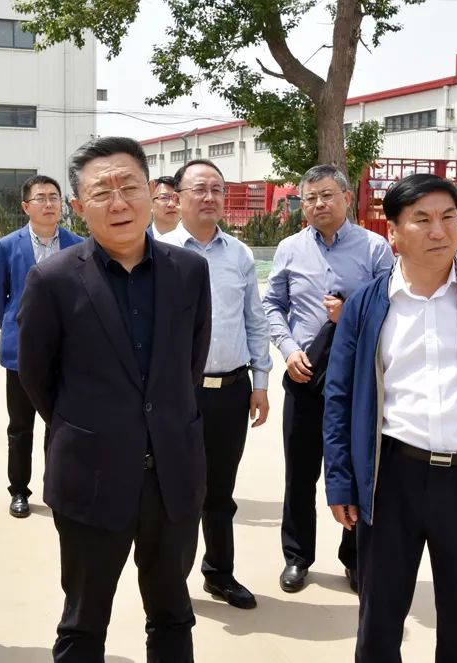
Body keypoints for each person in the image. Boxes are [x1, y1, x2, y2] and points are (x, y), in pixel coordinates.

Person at [323, 173, 457, 663]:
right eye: (422, 219)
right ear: (393, 233)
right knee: (379, 617)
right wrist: (340, 480)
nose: (439, 231)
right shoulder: (366, 305)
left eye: (449, 217)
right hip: (389, 478)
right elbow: (339, 397)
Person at [17, 136, 212, 662]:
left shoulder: (189, 271)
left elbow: (189, 366)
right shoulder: (53, 279)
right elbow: (37, 377)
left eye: (129, 187)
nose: (118, 202)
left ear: (152, 192)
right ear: (79, 207)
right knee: (83, 623)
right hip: (91, 477)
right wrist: (91, 428)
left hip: (172, 476)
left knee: (173, 615)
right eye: (102, 192)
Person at [263, 164, 393, 594]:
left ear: (346, 198)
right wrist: (287, 349)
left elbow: (393, 305)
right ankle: (297, 556)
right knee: (299, 474)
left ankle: (354, 558)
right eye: (311, 197)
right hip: (305, 374)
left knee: (355, 470)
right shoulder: (290, 248)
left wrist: (350, 310)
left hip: (357, 381)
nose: (319, 204)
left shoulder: (374, 248)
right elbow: (272, 305)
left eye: (327, 195)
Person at [161, 158, 272, 610]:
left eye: (217, 189)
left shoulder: (239, 254)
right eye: (200, 189)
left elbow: (255, 320)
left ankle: (219, 573)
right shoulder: (158, 250)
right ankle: (171, 582)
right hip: (176, 393)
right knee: (177, 491)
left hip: (231, 389)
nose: (210, 197)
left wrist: (261, 381)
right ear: (178, 198)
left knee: (220, 492)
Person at [0, 174, 83, 518]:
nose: (48, 203)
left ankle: (56, 489)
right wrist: (20, 331)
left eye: (54, 197)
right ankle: (19, 490)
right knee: (20, 427)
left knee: (60, 425)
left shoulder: (77, 244)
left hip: (67, 352)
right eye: (41, 198)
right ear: (26, 206)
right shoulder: (6, 246)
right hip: (21, 354)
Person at [148, 175, 181, 239]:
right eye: (164, 198)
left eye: (176, 198)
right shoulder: (140, 241)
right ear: (150, 204)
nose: (171, 204)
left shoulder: (197, 239)